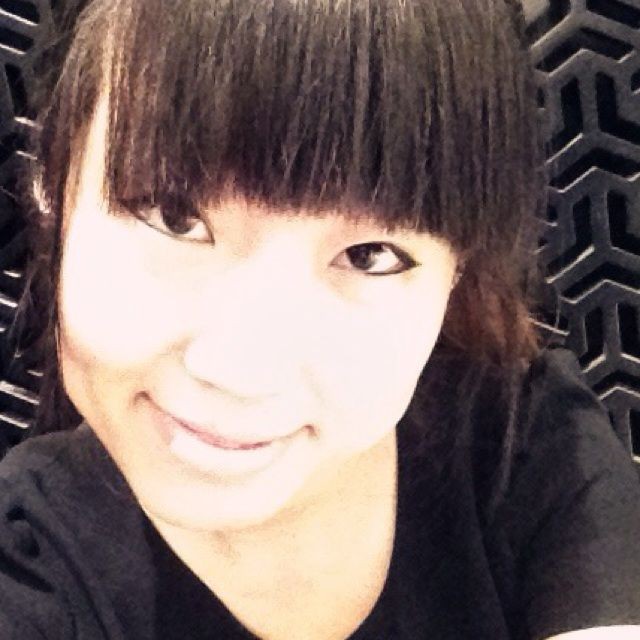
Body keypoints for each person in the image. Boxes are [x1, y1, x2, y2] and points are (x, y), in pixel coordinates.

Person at [0, 0, 638, 638]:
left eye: (369, 255)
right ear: (53, 186)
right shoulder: (27, 565)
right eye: (174, 216)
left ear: (457, 272)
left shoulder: (518, 446)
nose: (242, 371)